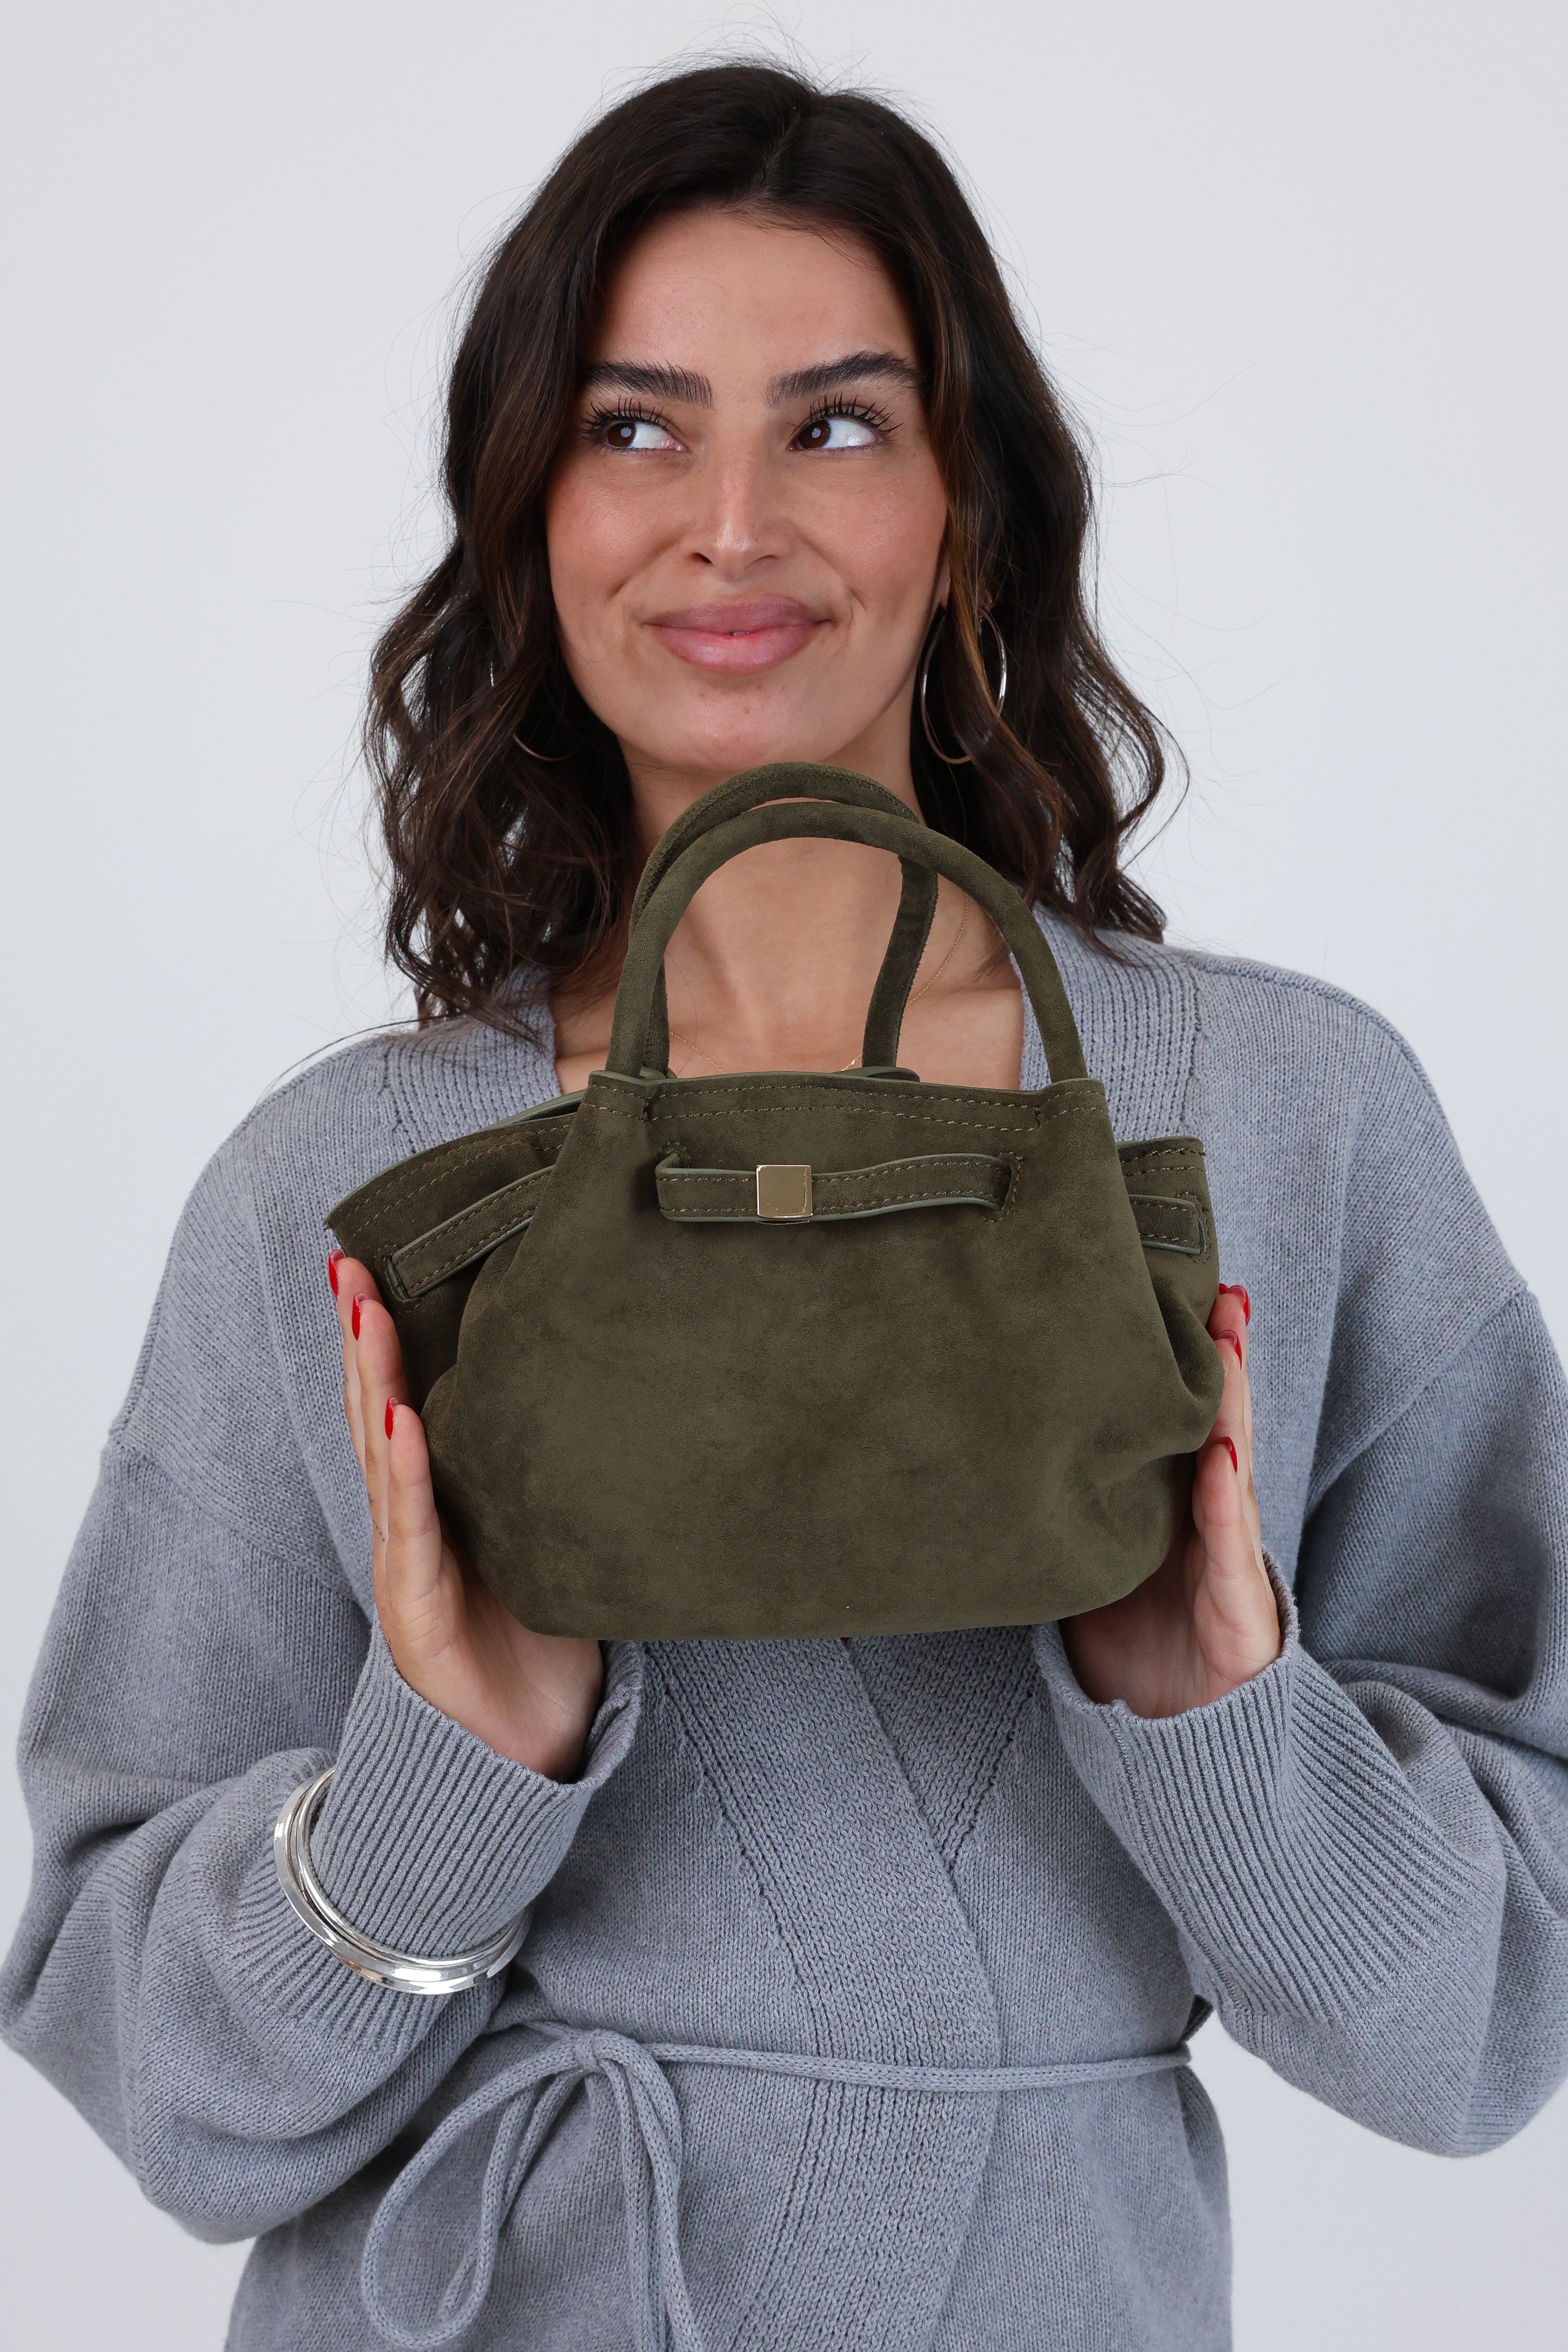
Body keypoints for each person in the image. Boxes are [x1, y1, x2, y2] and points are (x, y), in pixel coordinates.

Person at [4, 59, 1566, 2352]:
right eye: (634, 427)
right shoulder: (344, 1196)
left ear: (968, 512)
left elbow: (1488, 2028)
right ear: (528, 508)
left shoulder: (1282, 1127)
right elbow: (162, 2100)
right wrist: (451, 1779)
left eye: (834, 425)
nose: (727, 522)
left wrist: (1223, 1726)